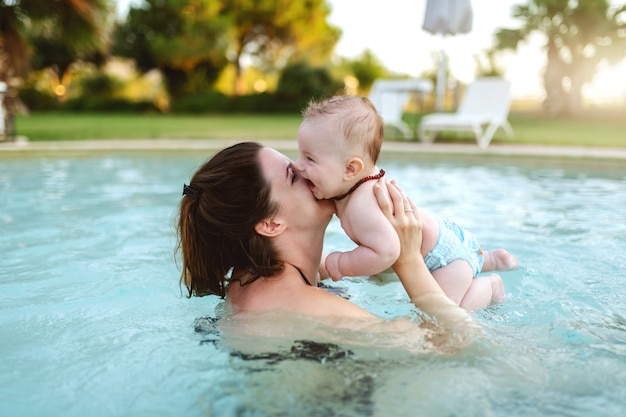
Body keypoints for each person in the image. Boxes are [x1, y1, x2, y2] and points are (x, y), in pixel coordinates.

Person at [176, 141, 476, 349]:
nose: (310, 172)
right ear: (270, 224)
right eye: (294, 176)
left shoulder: (253, 278)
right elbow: (454, 345)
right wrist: (407, 259)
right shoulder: (304, 305)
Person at [292, 95, 518, 311]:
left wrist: (339, 264)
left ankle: (490, 285)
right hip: (446, 237)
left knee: (450, 312)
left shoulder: (363, 205)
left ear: (351, 169)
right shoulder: (354, 185)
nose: (297, 165)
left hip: (445, 261)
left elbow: (387, 252)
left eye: (310, 159)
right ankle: (487, 258)